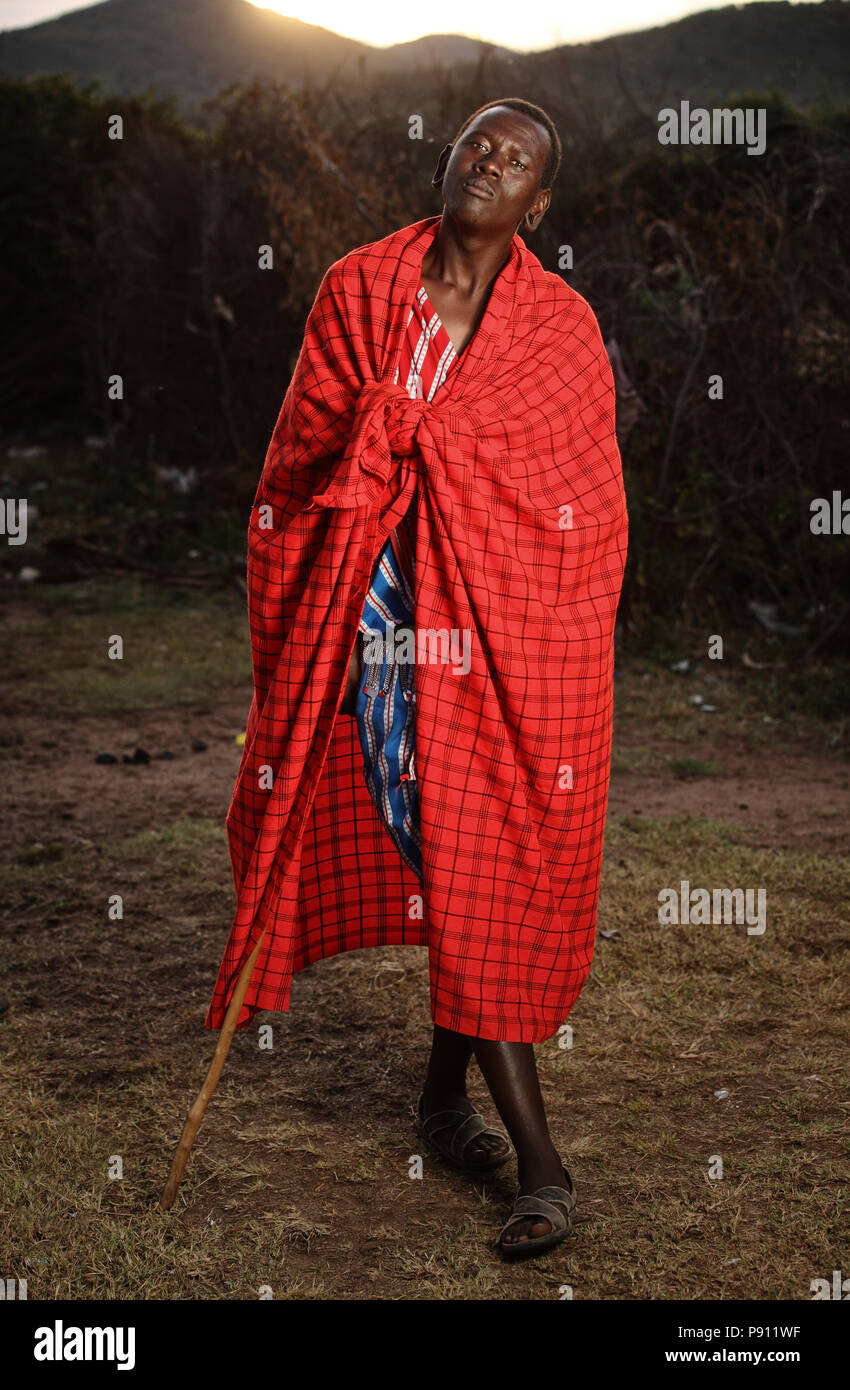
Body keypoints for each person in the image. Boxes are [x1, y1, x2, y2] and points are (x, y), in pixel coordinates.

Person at [208, 98, 629, 1260]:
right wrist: (386, 440)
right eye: (475, 144)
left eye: (517, 160)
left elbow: (582, 501)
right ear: (448, 160)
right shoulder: (358, 287)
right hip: (387, 618)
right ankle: (538, 1167)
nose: (488, 162)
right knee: (453, 841)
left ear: (537, 204)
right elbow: (297, 456)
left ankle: (445, 1106)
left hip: (503, 622)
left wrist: (440, 448)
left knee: (471, 849)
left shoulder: (557, 326)